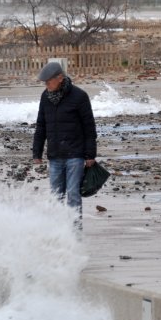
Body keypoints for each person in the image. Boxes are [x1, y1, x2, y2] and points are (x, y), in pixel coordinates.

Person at [32, 61, 97, 226]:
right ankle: (58, 230)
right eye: (44, 82)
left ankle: (75, 230)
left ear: (60, 78)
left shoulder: (79, 96)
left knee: (73, 193)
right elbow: (41, 125)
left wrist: (90, 155)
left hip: (75, 155)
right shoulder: (45, 97)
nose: (46, 85)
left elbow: (89, 127)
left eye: (48, 81)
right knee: (56, 195)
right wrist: (37, 153)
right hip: (55, 155)